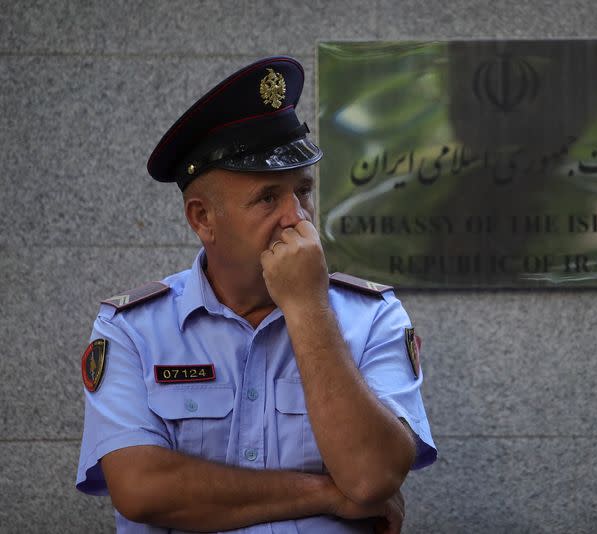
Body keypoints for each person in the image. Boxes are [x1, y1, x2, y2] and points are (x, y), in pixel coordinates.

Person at [75, 56, 437, 533]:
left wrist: (307, 307)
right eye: (268, 197)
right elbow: (142, 488)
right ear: (203, 219)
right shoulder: (133, 329)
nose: (297, 217)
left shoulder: (373, 317)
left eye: (303, 191)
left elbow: (371, 478)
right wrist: (328, 493)